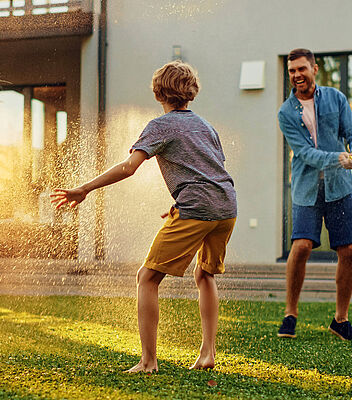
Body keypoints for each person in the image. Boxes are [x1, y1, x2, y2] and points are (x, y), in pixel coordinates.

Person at [51, 60, 236, 371]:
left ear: (157, 92)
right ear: (191, 92)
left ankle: (148, 361)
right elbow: (210, 170)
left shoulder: (160, 126)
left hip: (197, 208)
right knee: (205, 275)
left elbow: (128, 167)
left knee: (147, 277)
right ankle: (208, 354)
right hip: (226, 206)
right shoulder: (206, 126)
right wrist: (182, 203)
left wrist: (84, 188)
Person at [277, 48, 352, 341]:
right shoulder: (285, 112)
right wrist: (338, 159)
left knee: (349, 251)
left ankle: (341, 319)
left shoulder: (336, 99)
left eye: (301, 69)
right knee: (301, 246)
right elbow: (304, 153)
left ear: (314, 69)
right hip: (307, 188)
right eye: (292, 71)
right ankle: (290, 313)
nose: (296, 75)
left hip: (339, 186)